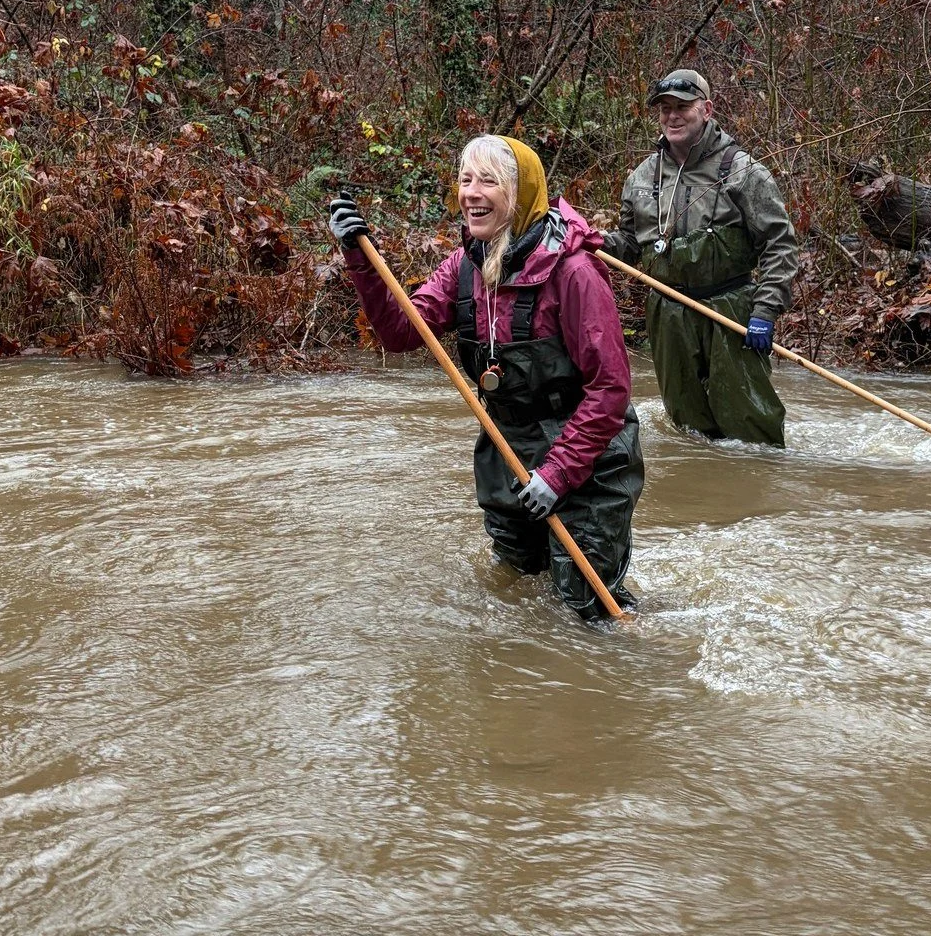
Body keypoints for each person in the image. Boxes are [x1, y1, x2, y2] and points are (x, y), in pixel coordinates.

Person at [327, 135, 643, 621]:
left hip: (590, 463)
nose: (471, 192)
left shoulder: (575, 273)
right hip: (508, 454)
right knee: (517, 600)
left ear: (520, 196)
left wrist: (557, 475)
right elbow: (399, 333)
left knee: (585, 614)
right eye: (465, 178)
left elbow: (611, 390)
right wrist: (361, 259)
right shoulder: (464, 267)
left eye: (488, 181)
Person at [603, 69, 799, 447]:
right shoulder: (641, 177)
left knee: (750, 427)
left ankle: (758, 492)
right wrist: (588, 239)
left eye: (682, 107)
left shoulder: (744, 172)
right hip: (667, 311)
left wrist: (764, 312)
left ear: (706, 109)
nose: (672, 116)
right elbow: (628, 241)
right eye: (664, 109)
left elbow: (780, 244)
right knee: (687, 428)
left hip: (731, 310)